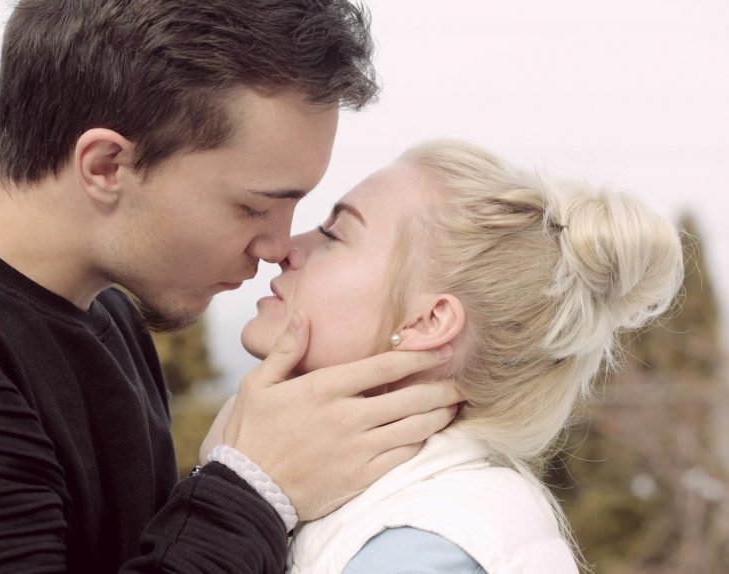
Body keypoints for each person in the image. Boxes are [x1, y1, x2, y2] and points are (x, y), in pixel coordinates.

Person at [0, 2, 464, 572]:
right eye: (254, 206)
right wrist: (254, 487)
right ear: (105, 165)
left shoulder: (109, 318)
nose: (280, 246)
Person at [234, 139, 684, 573]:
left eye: (334, 234)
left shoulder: (421, 551)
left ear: (427, 322)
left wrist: (233, 489)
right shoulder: (382, 515)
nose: (287, 248)